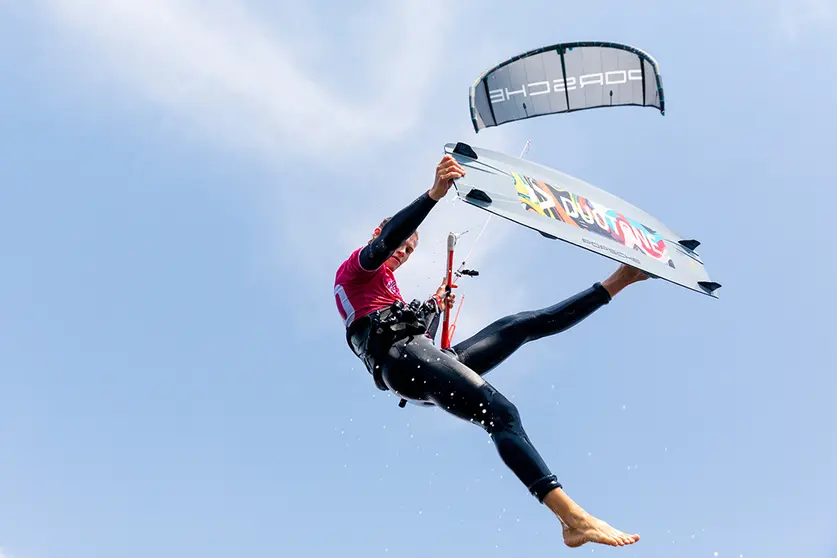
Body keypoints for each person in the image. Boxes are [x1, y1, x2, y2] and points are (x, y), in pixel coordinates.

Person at [334, 154, 648, 549]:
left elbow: (426, 340)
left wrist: (434, 306)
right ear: (380, 234)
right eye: (401, 245)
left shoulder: (385, 291)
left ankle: (619, 280)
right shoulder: (355, 270)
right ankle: (573, 519)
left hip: (417, 359)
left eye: (410, 251)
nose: (403, 252)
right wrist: (433, 195)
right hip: (402, 360)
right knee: (501, 413)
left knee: (520, 326)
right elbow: (386, 243)